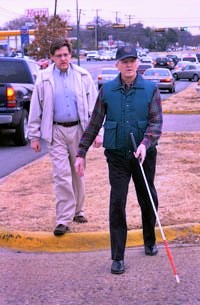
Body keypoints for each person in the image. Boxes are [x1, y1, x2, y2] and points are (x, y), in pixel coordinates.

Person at [75, 46, 163, 274]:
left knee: (147, 199)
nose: (129, 65)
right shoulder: (107, 90)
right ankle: (118, 256)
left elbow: (156, 124)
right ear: (117, 65)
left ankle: (150, 240)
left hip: (143, 156)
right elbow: (94, 123)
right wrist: (81, 152)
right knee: (117, 203)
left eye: (132, 60)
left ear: (138, 63)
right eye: (124, 61)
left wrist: (145, 144)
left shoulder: (151, 89)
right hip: (117, 157)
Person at [28, 38, 99, 236]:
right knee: (61, 175)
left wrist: (96, 134)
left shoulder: (83, 76)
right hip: (56, 131)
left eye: (66, 55)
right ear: (52, 57)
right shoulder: (43, 78)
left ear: (71, 55)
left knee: (78, 172)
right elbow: (36, 109)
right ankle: (63, 219)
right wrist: (34, 136)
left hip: (79, 130)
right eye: (58, 56)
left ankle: (79, 211)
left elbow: (95, 108)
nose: (63, 59)